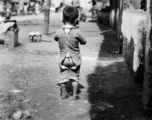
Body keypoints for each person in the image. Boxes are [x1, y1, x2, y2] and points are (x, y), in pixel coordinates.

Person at [54, 6, 86, 100]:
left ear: (63, 18)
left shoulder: (58, 31)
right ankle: (75, 95)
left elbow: (55, 38)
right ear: (76, 20)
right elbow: (84, 42)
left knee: (63, 77)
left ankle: (64, 94)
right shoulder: (77, 32)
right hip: (74, 60)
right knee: (74, 77)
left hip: (63, 59)